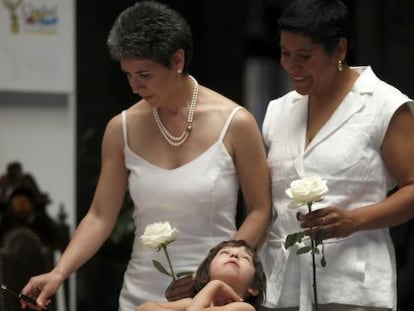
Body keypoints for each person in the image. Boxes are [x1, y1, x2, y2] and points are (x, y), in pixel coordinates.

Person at [21, 1, 272, 310]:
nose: (135, 87)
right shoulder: (121, 129)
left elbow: (261, 209)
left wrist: (206, 276)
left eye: (144, 74)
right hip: (141, 295)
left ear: (177, 60)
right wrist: (59, 273)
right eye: (128, 75)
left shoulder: (236, 123)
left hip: (215, 297)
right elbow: (100, 216)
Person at [259, 0, 414, 310]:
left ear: (339, 50)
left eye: (304, 56)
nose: (291, 66)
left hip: (354, 284)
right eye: (285, 53)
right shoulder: (278, 110)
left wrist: (355, 219)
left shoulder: (382, 104)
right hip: (282, 286)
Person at [137, 240, 266, 311]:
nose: (234, 255)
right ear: (206, 274)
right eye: (225, 252)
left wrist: (216, 285)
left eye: (245, 258)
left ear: (253, 287)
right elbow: (142, 309)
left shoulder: (244, 309)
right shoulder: (191, 302)